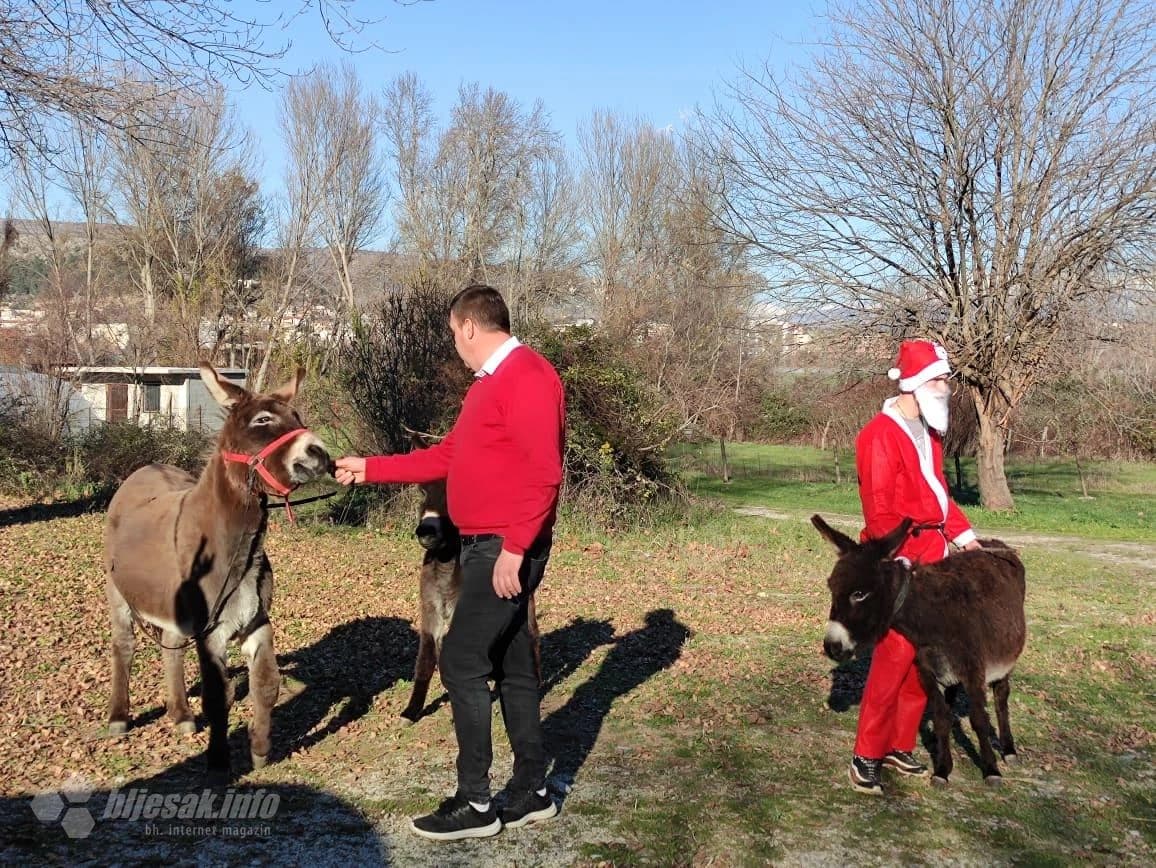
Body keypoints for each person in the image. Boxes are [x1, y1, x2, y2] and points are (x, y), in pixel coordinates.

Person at [334, 284, 566, 840]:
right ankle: (532, 791)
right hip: (484, 544)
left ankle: (475, 804)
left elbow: (545, 473)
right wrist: (370, 468)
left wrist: (514, 549)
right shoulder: (488, 386)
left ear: (467, 326)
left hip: (504, 548)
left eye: (452, 334)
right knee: (513, 667)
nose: (455, 347)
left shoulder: (528, 377)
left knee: (460, 662)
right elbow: (448, 456)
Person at [849, 338, 981, 795]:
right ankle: (866, 753)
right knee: (892, 659)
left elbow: (941, 495)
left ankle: (899, 745)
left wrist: (966, 538)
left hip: (937, 556)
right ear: (918, 383)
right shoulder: (877, 437)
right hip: (900, 563)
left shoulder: (931, 433)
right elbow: (879, 511)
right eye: (941, 379)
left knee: (924, 659)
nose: (947, 387)